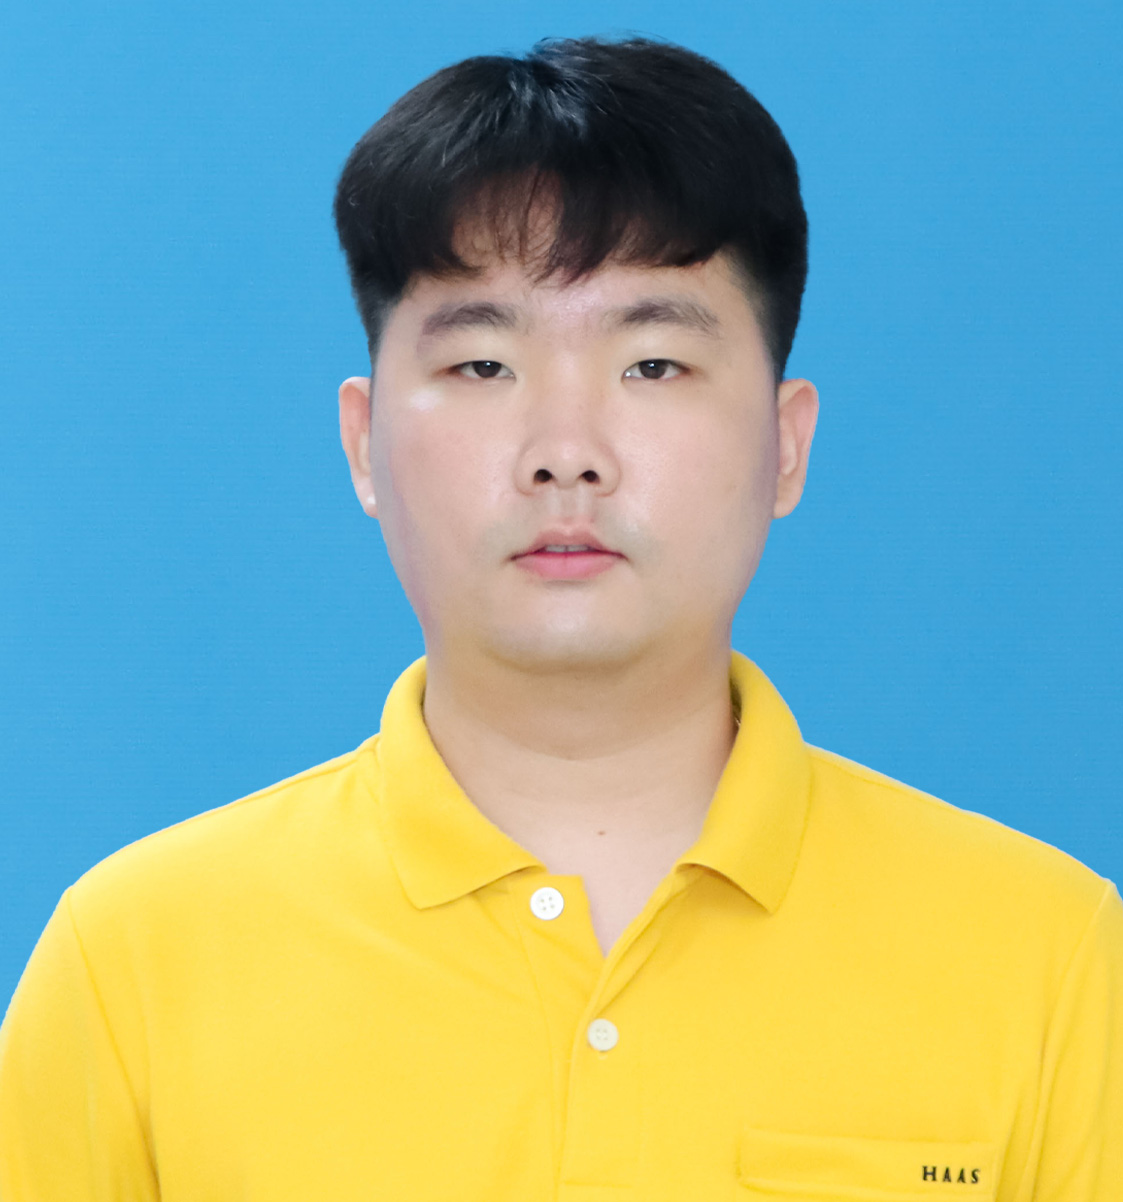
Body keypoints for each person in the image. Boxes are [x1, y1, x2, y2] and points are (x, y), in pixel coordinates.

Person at [1, 34, 1120, 1201]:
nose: (566, 454)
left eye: (653, 364)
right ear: (363, 442)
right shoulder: (133, 962)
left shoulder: (1045, 955)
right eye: (484, 366)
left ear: (786, 444)